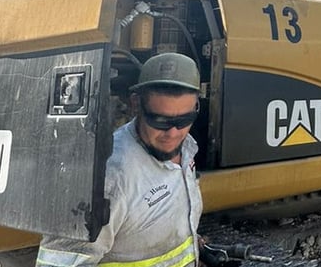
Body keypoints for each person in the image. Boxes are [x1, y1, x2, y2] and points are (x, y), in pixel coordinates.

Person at [37, 52, 204, 267]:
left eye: (184, 119)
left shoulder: (187, 147)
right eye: (160, 120)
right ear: (136, 105)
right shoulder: (107, 178)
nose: (173, 133)